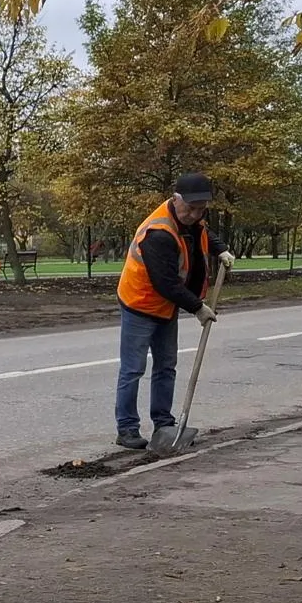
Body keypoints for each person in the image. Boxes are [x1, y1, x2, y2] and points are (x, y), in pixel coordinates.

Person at [114, 173, 235, 450]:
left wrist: (221, 250)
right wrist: (197, 307)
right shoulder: (158, 233)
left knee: (166, 366)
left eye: (201, 208)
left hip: (166, 305)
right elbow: (166, 282)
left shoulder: (193, 217)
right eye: (190, 208)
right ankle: (127, 429)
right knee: (133, 369)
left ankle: (164, 423)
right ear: (175, 199)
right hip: (140, 303)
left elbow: (203, 230)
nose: (194, 214)